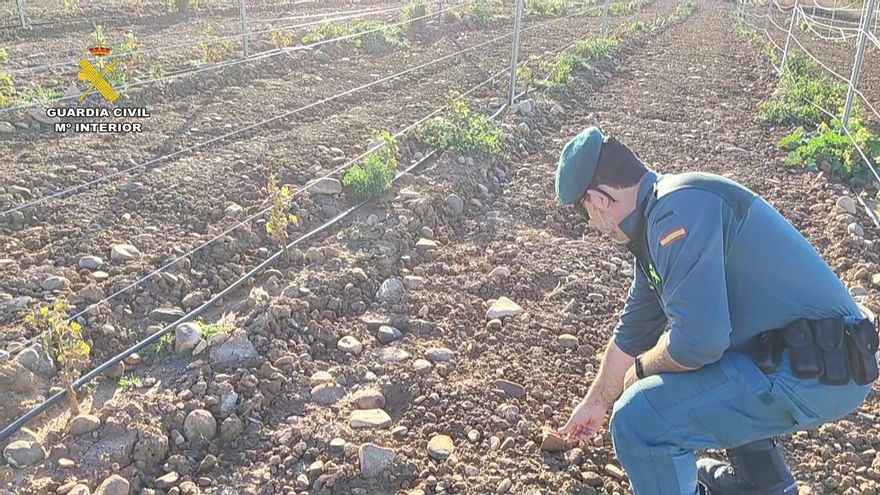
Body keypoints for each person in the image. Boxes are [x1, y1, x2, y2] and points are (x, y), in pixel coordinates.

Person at [552, 126, 879, 494]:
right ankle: (760, 485)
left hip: (819, 369)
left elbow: (699, 343)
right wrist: (596, 402)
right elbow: (632, 333)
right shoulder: (660, 217)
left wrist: (641, 370)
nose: (592, 225)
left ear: (601, 198)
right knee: (690, 367)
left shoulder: (675, 215)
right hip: (809, 359)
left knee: (638, 418)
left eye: (586, 213)